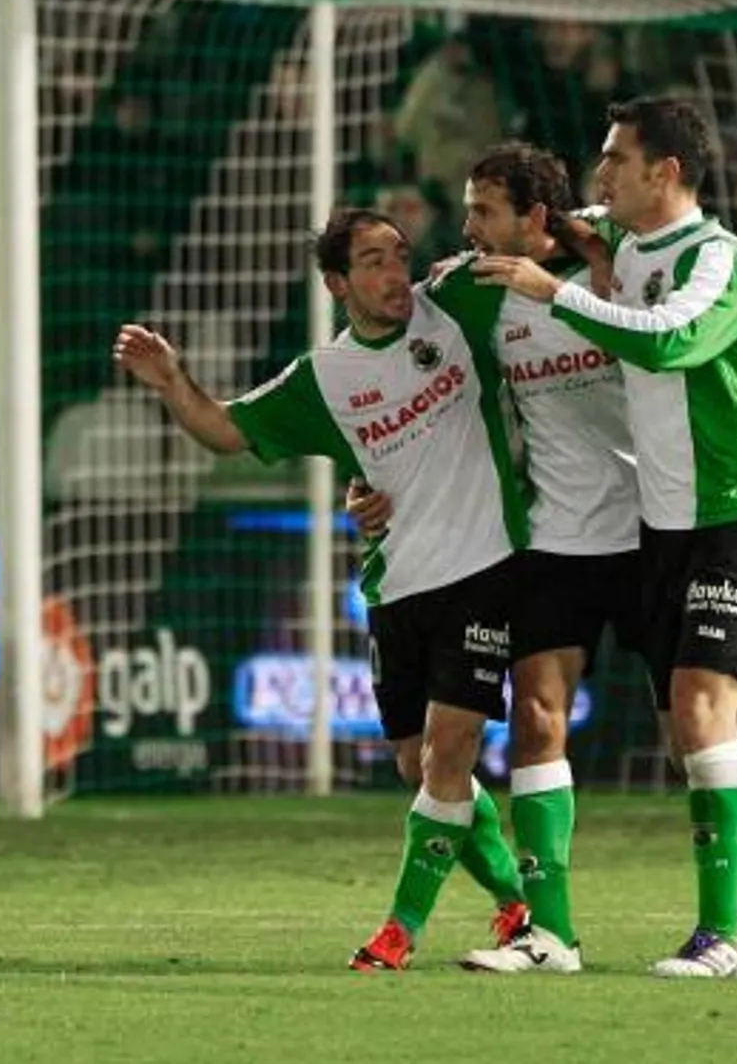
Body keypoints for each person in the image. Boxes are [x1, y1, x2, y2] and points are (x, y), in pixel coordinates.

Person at [350, 141, 737, 974]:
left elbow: (728, 345)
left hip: (660, 530)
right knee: (536, 719)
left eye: (485, 211)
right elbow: (399, 379)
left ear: (536, 218)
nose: (469, 226)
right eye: (469, 209)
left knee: (692, 741)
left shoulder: (624, 266)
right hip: (555, 538)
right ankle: (548, 933)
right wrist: (365, 479)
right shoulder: (471, 294)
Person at [474, 96, 737, 978]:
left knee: (700, 723)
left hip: (736, 513)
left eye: (617, 158)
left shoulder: (722, 258)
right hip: (662, 522)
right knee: (695, 744)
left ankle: (723, 936)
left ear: (665, 171)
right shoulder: (618, 238)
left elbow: (669, 340)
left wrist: (557, 295)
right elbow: (559, 226)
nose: (602, 172)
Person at [114, 208, 530, 972]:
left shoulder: (456, 309)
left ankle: (399, 931)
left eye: (399, 256)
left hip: (487, 565)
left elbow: (538, 260)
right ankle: (515, 902)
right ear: (338, 283)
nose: (394, 274)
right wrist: (171, 379)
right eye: (372, 262)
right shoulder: (325, 378)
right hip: (399, 582)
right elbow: (223, 428)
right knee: (417, 765)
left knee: (449, 749)